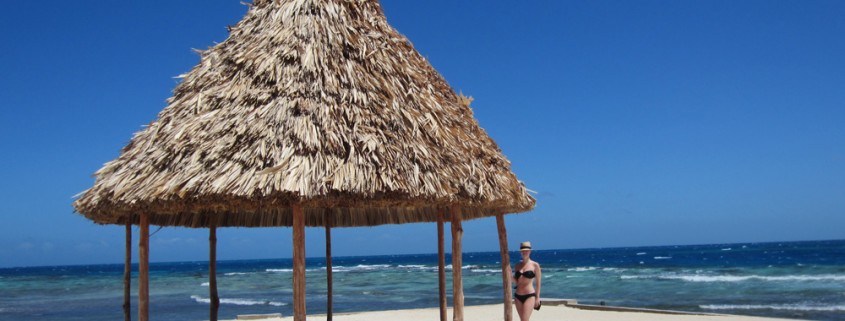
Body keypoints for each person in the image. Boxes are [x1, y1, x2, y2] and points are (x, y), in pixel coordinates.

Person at [513, 241, 541, 321]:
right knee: (522, 319)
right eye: (523, 251)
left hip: (529, 295)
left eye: (526, 251)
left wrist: (537, 298)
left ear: (530, 251)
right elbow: (517, 281)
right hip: (518, 296)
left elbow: (538, 283)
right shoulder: (517, 265)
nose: (524, 252)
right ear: (520, 252)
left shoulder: (535, 265)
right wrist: (509, 276)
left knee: (525, 320)